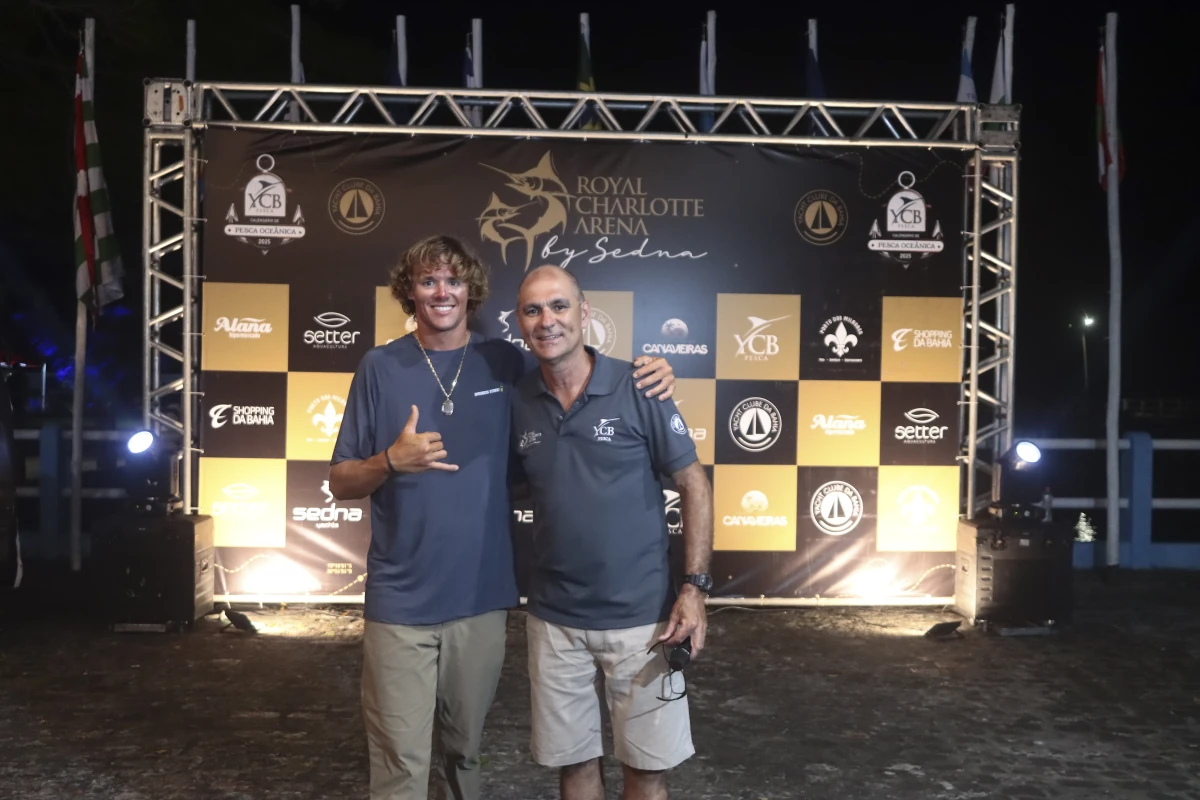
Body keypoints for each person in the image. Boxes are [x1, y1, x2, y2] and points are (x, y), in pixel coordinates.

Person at [328, 235, 676, 800]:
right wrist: (389, 460)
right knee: (399, 762)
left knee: (464, 752)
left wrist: (649, 374)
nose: (442, 292)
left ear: (471, 289)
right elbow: (341, 481)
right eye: (427, 280)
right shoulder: (379, 366)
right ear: (409, 292)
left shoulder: (507, 363)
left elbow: (575, 378)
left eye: (453, 280)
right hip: (400, 598)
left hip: (483, 597)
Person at [510, 265, 714, 800]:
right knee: (574, 767)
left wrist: (694, 589)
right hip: (554, 620)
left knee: (646, 772)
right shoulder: (517, 399)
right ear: (520, 322)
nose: (547, 320)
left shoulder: (640, 384)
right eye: (533, 310)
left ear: (584, 313)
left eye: (559, 306)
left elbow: (694, 484)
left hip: (643, 621)